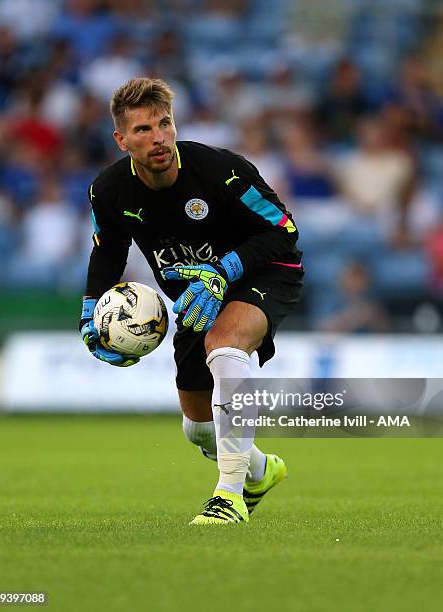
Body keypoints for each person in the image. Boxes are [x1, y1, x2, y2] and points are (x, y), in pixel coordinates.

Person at [79, 77, 303, 525]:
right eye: (143, 130)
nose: (159, 137)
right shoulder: (108, 191)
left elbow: (284, 231)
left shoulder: (221, 170)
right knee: (199, 428)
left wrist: (224, 272)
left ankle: (228, 497)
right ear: (121, 140)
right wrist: (89, 312)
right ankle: (259, 471)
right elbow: (109, 250)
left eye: (164, 124)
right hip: (196, 297)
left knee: (225, 345)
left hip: (264, 271)